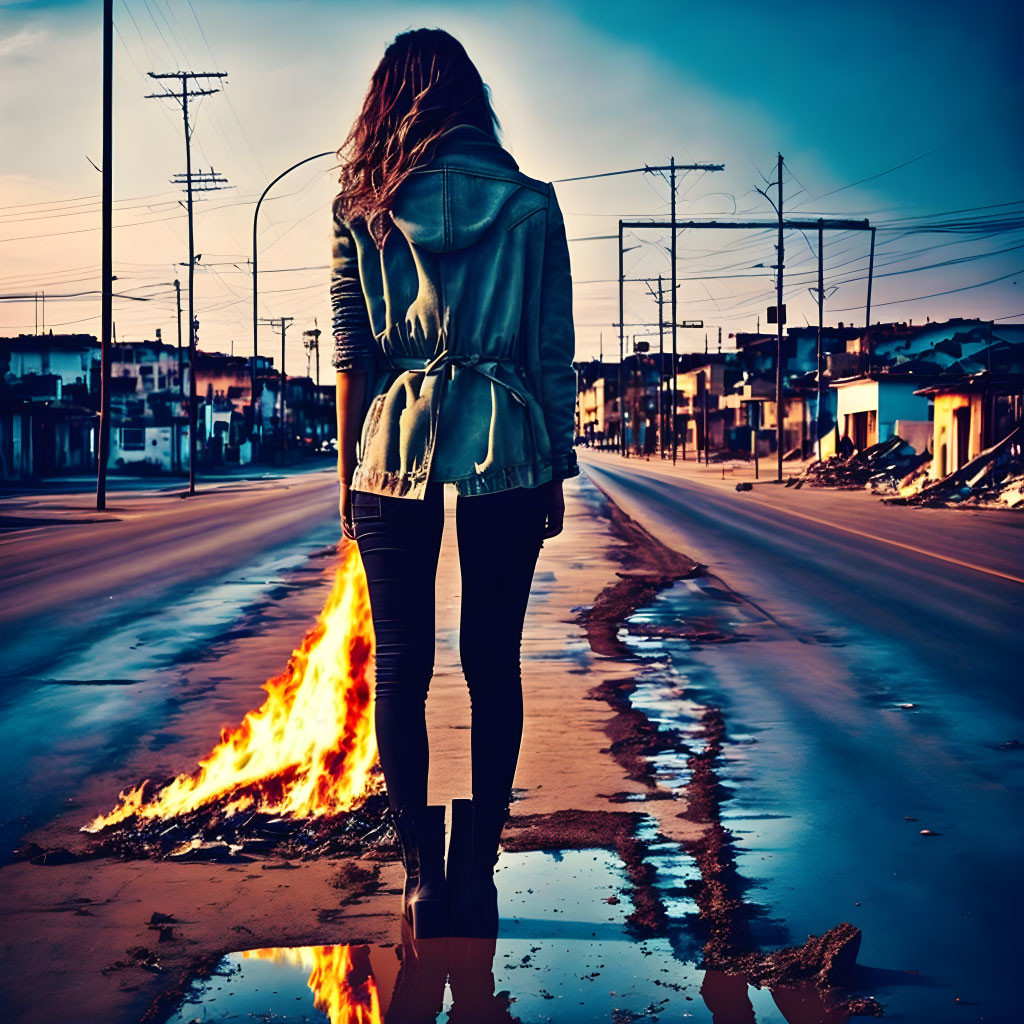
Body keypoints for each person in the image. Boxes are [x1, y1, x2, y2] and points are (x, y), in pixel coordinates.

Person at [330, 28, 579, 939]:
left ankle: (421, 881)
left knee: (401, 667)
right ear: (473, 100)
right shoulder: (532, 205)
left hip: (389, 440)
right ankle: (476, 874)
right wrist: (558, 461)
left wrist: (347, 472)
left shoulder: (362, 209)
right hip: (510, 441)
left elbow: (353, 355)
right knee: (492, 664)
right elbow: (551, 350)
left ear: (388, 101)